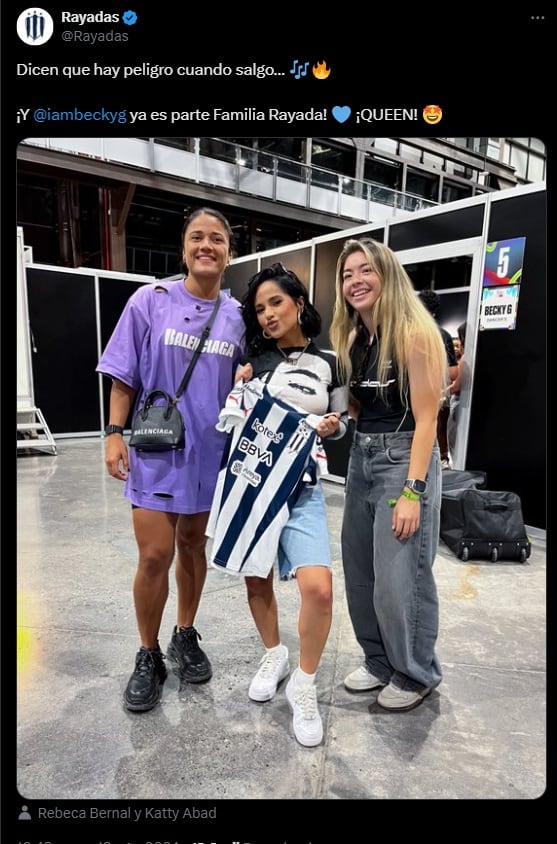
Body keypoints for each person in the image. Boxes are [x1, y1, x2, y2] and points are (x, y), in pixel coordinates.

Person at [96, 207, 246, 712]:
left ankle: (185, 633)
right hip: (157, 449)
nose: (207, 246)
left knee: (193, 546)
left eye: (217, 239)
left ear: (229, 252)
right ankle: (148, 653)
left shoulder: (237, 316)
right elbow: (123, 375)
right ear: (184, 248)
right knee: (155, 555)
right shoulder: (150, 301)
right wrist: (114, 433)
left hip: (212, 454)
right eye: (197, 237)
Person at [208, 262, 348, 747]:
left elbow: (342, 419)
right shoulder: (252, 360)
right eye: (260, 308)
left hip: (302, 486)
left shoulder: (331, 362)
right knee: (256, 576)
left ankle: (304, 683)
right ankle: (274, 653)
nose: (268, 314)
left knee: (319, 589)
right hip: (252, 483)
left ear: (299, 304)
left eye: (276, 303)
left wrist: (333, 427)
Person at [330, 237, 447, 711]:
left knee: (401, 578)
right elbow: (359, 408)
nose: (355, 281)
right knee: (361, 571)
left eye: (366, 270)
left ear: (387, 276)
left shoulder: (415, 334)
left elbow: (427, 420)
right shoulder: (355, 340)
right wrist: (337, 418)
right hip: (362, 458)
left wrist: (413, 492)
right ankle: (379, 661)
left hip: (404, 460)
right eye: (347, 274)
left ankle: (415, 672)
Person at [417, 289, 458, 469]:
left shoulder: (405, 332)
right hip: (436, 395)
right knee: (437, 430)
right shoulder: (443, 335)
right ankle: (440, 461)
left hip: (414, 396)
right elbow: (452, 372)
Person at [447, 321, 467, 460]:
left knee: (454, 443)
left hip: (459, 404)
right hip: (464, 404)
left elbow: (457, 387)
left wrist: (439, 393)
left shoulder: (465, 358)